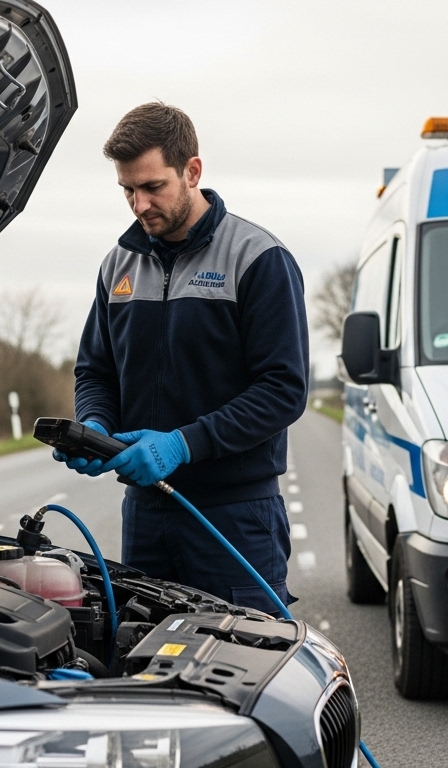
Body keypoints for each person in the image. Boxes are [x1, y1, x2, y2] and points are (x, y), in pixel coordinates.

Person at [54, 102, 308, 614]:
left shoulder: (258, 259)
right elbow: (95, 370)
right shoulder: (117, 265)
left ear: (192, 171)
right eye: (127, 189)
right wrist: (96, 428)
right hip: (146, 514)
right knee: (140, 656)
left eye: (153, 187)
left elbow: (283, 389)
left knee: (245, 667)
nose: (139, 204)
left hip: (235, 513)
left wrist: (183, 445)